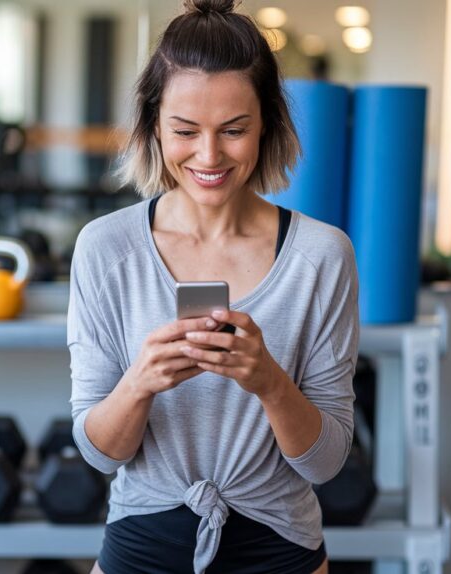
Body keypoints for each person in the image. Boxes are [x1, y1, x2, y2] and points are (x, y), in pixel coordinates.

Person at [67, 0, 360, 572]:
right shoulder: (105, 249)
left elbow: (326, 464)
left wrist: (270, 382)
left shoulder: (321, 256)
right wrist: (140, 383)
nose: (208, 155)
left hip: (282, 550)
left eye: (233, 131)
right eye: (184, 130)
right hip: (140, 547)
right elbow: (99, 455)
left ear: (268, 125)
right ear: (154, 124)